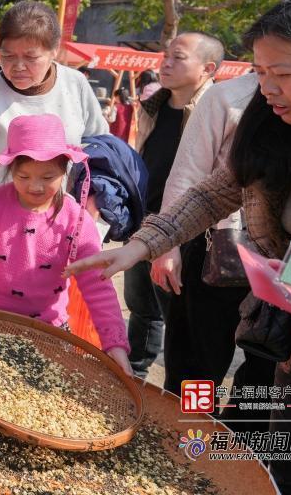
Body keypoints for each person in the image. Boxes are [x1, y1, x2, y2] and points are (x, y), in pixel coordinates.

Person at [68, 0, 291, 495]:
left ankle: (231, 452)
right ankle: (194, 447)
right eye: (259, 72)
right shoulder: (233, 110)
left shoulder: (227, 100)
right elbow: (207, 188)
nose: (267, 87)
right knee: (200, 369)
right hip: (220, 268)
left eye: (282, 74)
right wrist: (152, 245)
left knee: (273, 407)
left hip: (278, 294)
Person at [0, 114, 132, 375]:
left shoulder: (76, 220)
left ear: (65, 170)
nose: (35, 187)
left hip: (45, 331)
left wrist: (114, 343)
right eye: (23, 176)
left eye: (47, 177)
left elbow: (97, 285)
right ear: (11, 169)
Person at [147, 71, 275, 414]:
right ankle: (192, 431)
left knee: (268, 374)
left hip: (287, 266)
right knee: (197, 366)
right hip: (213, 250)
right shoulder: (226, 96)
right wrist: (167, 246)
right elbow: (189, 176)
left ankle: (242, 441)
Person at [0, 0, 108, 255]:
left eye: (31, 57)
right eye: (7, 56)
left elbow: (101, 149)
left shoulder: (76, 85)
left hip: (59, 233)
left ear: (54, 51)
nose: (18, 67)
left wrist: (94, 207)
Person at [124, 32, 223, 378]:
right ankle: (133, 381)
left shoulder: (219, 112)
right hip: (147, 224)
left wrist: (175, 241)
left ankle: (189, 410)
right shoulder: (152, 106)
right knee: (141, 310)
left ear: (208, 68)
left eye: (178, 58)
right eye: (165, 55)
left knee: (186, 331)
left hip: (192, 235)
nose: (165, 63)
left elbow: (221, 187)